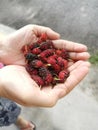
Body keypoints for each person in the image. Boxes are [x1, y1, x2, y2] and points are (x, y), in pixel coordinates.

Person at [0, 25, 90, 130]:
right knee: (4, 109)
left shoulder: (44, 61)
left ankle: (20, 122)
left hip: (5, 64)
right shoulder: (39, 63)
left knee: (8, 108)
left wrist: (3, 46)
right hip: (6, 72)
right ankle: (21, 123)